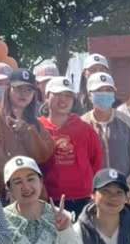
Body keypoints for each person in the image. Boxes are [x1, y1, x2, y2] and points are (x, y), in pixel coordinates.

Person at [0, 68, 55, 194]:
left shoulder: (36, 124)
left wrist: (27, 132)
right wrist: (10, 186)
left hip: (33, 193)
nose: (24, 94)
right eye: (18, 88)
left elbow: (43, 156)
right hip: (6, 192)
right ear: (8, 89)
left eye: (29, 90)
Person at [40, 77, 104, 216]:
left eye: (68, 95)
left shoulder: (85, 129)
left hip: (83, 198)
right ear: (46, 96)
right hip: (49, 198)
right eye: (58, 94)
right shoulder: (37, 128)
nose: (63, 100)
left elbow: (96, 161)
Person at [82, 72, 130, 177]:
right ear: (89, 95)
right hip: (93, 186)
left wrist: (129, 183)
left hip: (125, 186)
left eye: (108, 90)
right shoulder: (81, 125)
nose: (104, 93)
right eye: (99, 90)